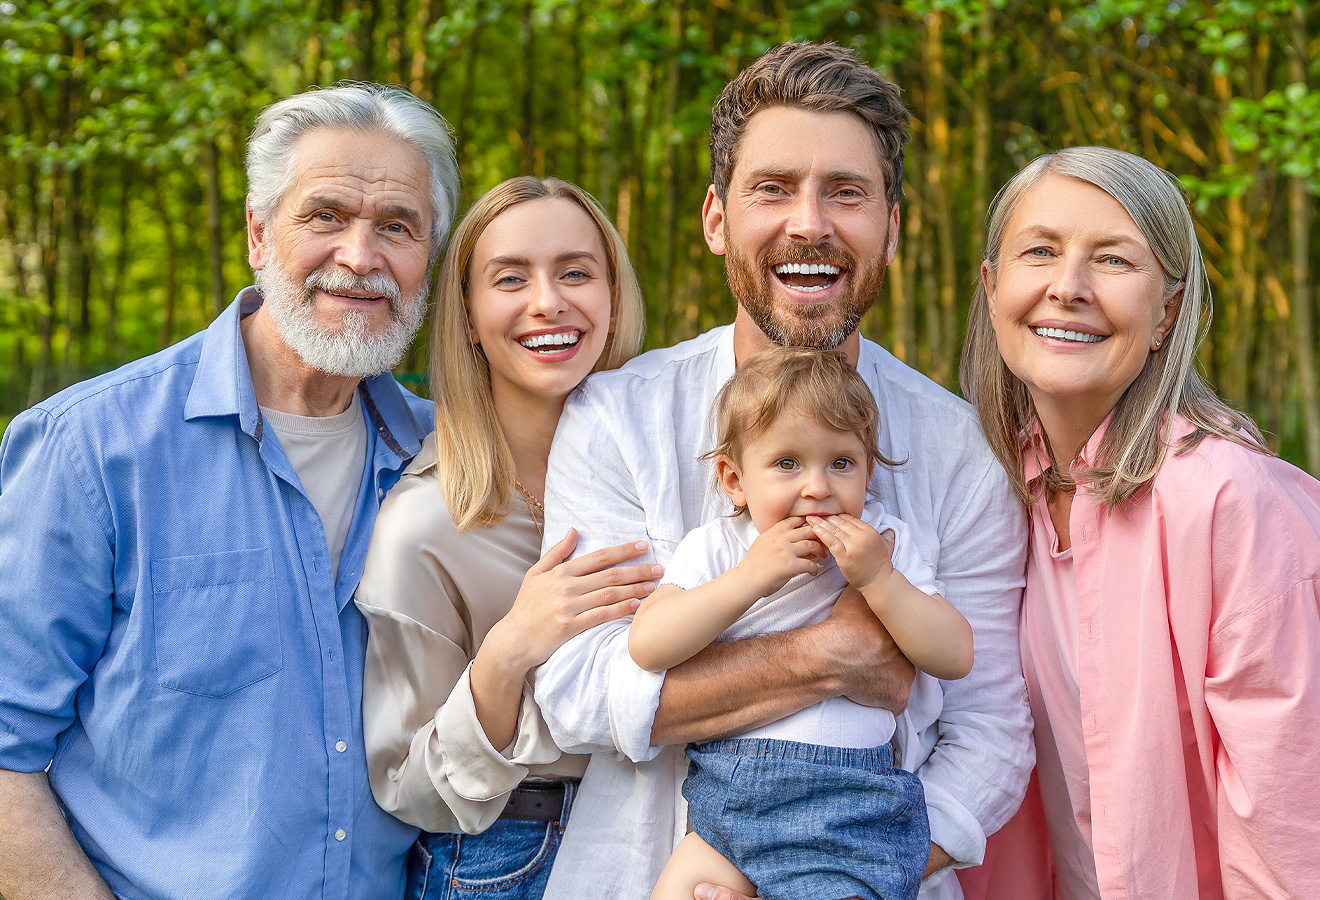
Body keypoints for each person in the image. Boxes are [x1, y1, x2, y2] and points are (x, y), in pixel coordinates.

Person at [0, 83, 457, 900]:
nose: (361, 255)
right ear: (257, 231)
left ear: (431, 253)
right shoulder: (96, 448)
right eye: (324, 216)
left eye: (397, 225)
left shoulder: (446, 456)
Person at [532, 41, 1034, 900]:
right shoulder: (615, 419)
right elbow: (578, 691)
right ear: (717, 218)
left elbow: (993, 730)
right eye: (773, 188)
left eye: (847, 192)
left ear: (892, 227)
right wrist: (828, 656)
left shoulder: (962, 451)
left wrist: (839, 876)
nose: (810, 223)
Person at [957, 145, 1320, 899]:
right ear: (994, 287)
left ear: (1168, 311)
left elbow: (1296, 844)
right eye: (1041, 252)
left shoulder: (1236, 505)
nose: (1068, 288)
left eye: (1113, 260)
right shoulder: (995, 494)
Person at [354, 176, 651, 900]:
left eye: (575, 272)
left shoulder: (677, 474)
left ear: (612, 300)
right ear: (466, 317)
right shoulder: (423, 528)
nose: (547, 301)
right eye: (510, 278)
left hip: (669, 831)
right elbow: (409, 784)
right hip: (512, 859)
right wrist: (511, 650)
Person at [632, 346, 973, 900]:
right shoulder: (720, 547)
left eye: (841, 463)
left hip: (852, 812)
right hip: (730, 802)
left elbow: (955, 655)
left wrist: (882, 582)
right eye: (788, 463)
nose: (817, 486)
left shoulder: (885, 546)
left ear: (869, 469)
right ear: (735, 481)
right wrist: (749, 579)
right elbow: (649, 645)